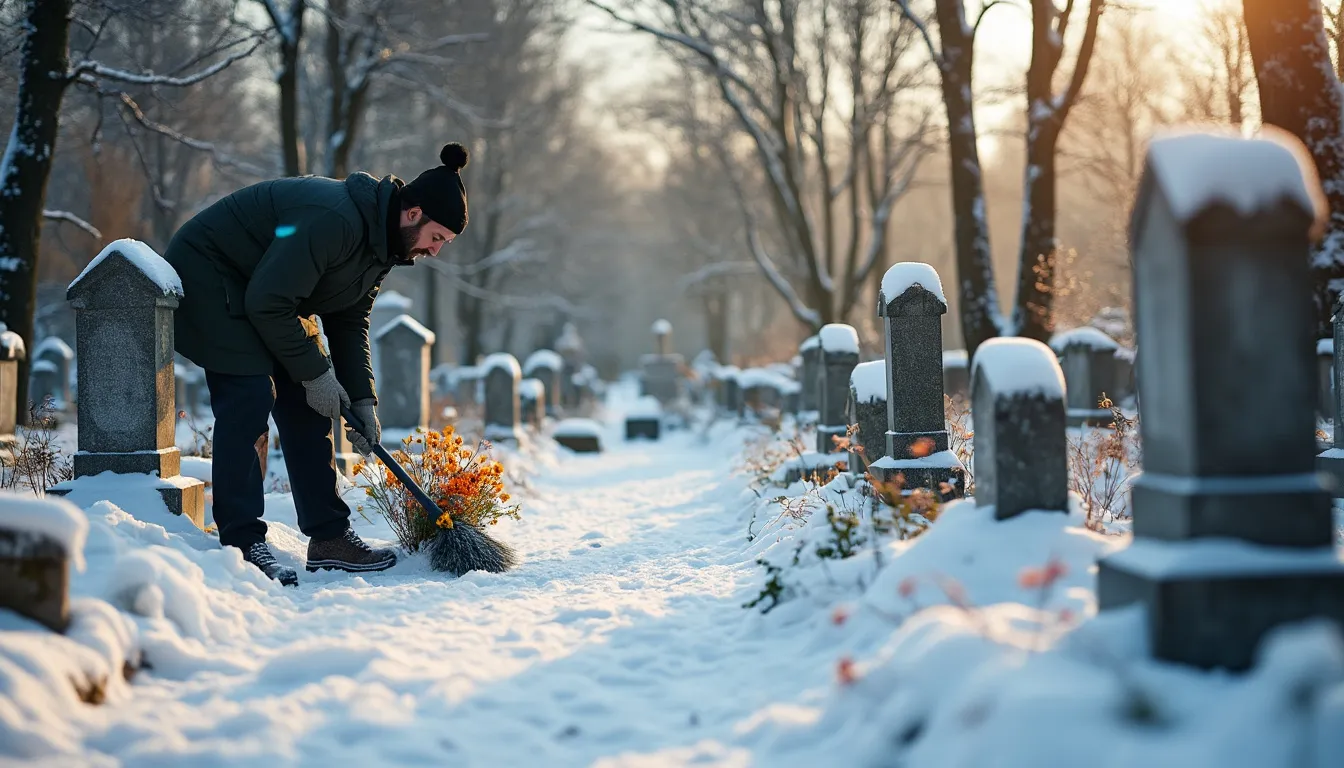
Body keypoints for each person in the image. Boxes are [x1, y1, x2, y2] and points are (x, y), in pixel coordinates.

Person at [163, 143, 469, 586]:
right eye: (436, 237)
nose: (435, 251)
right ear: (413, 213)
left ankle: (329, 538)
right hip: (211, 276)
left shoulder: (383, 247)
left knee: (310, 406)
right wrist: (314, 373)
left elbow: (349, 319)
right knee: (250, 396)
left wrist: (362, 400)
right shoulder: (335, 220)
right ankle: (242, 543)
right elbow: (267, 302)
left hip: (270, 294)